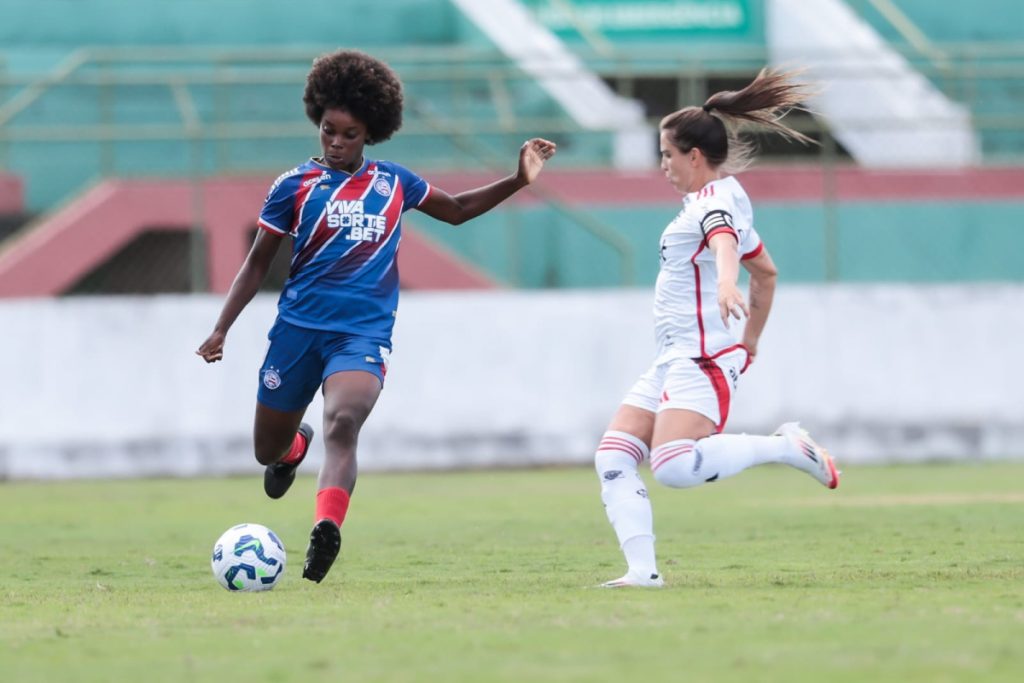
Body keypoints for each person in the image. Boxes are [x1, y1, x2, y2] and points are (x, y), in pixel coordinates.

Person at [196, 49, 556, 583]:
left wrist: (518, 179)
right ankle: (294, 447)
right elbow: (255, 264)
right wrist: (221, 327)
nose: (337, 142)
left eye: (350, 133)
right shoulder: (292, 187)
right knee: (265, 448)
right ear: (317, 123)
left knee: (344, 422)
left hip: (361, 334)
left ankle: (326, 528)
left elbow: (456, 210)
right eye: (329, 130)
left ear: (372, 133)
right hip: (297, 332)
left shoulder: (395, 183)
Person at [594, 69, 838, 588]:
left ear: (694, 157)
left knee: (673, 467)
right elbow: (767, 274)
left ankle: (785, 447)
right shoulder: (723, 197)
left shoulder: (715, 204)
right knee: (614, 455)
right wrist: (749, 343)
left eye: (667, 155)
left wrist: (727, 286)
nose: (663, 165)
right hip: (678, 356)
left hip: (700, 359)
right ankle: (643, 573)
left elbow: (724, 243)